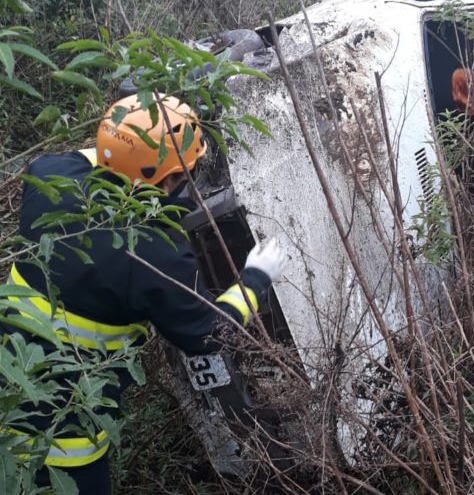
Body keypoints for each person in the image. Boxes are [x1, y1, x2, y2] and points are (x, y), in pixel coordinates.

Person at [1, 94, 286, 493]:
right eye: (183, 173)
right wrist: (255, 278)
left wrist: (124, 144)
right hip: (63, 435)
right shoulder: (154, 251)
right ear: (168, 180)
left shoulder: (48, 175)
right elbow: (208, 334)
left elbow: (88, 159)